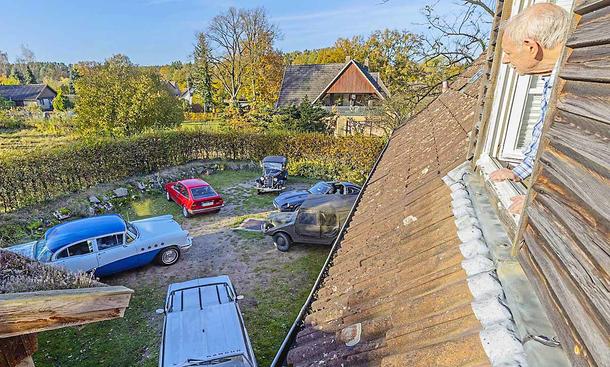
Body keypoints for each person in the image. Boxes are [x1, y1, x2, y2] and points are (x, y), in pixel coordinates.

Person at [489, 3, 570, 214]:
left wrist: (544, 196)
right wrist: (520, 172)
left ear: (531, 47)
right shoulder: (554, 79)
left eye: (508, 52)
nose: (505, 60)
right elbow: (545, 135)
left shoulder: (578, 86)